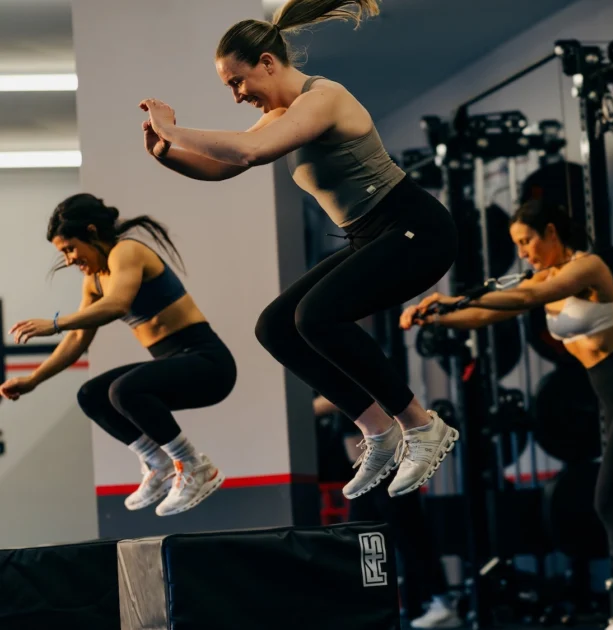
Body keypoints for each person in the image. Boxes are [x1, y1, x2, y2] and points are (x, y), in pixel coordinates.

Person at [137, 0, 458, 498]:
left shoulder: (324, 98)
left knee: (316, 316)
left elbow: (249, 152)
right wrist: (167, 155)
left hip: (415, 229)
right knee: (276, 327)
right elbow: (225, 165)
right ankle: (378, 430)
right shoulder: (282, 115)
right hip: (370, 235)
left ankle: (421, 425)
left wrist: (173, 128)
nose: (238, 96)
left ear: (267, 62)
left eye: (238, 82)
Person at [401, 200, 613, 630]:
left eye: (527, 241)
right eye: (517, 245)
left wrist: (451, 298)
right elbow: (484, 315)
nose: (523, 253)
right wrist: (438, 317)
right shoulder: (544, 276)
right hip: (612, 395)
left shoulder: (587, 268)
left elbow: (529, 296)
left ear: (551, 232)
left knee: (608, 498)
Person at [0, 194, 237, 516]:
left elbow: (117, 304)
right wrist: (33, 379)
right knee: (91, 395)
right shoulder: (94, 280)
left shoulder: (127, 252)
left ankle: (194, 466)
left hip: (209, 364)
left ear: (92, 232)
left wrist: (54, 323)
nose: (69, 260)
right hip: (175, 364)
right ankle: (159, 464)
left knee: (123, 390)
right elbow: (78, 338)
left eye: (70, 249)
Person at [314, 395, 462, 629]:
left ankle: (442, 602)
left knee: (408, 533)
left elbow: (339, 397)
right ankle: (380, 606)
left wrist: (307, 406)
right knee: (361, 536)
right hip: (366, 468)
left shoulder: (353, 381)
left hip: (389, 462)